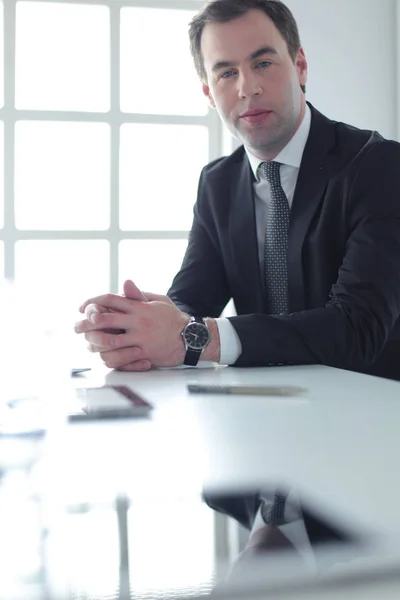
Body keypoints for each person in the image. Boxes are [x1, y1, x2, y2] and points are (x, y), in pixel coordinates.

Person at [75, 0, 400, 559]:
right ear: (208, 90)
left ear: (299, 66)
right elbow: (190, 300)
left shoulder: (380, 166)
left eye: (263, 62)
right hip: (262, 441)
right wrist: (134, 327)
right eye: (225, 71)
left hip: (373, 454)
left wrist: (193, 337)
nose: (246, 87)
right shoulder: (219, 182)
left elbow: (358, 329)